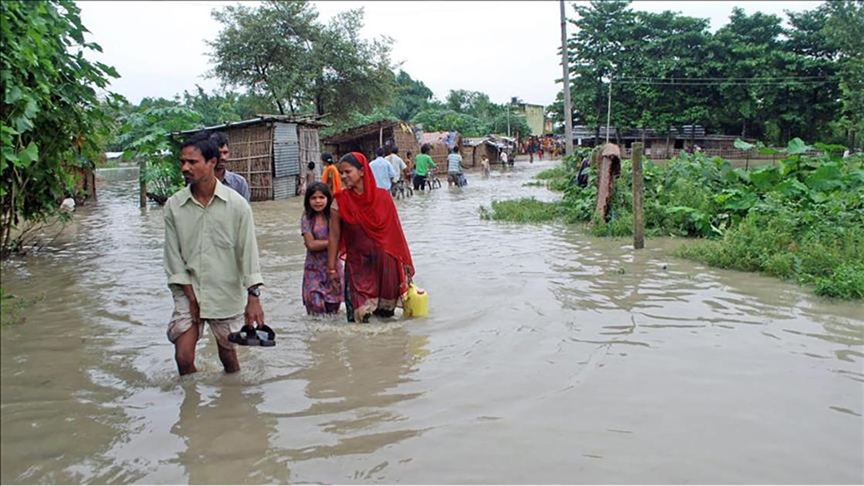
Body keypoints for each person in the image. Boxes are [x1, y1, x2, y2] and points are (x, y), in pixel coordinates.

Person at [163, 132, 265, 376]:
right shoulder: (174, 206)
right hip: (188, 290)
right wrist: (192, 297)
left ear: (211, 162)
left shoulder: (237, 205)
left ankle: (233, 401)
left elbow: (248, 252)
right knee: (184, 357)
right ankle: (192, 406)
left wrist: (253, 296)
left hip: (224, 290)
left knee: (227, 354)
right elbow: (173, 258)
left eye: (192, 162)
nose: (185, 168)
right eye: (182, 162)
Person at [327, 152, 414, 323]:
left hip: (385, 264)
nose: (343, 176)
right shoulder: (339, 201)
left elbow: (395, 233)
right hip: (357, 265)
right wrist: (331, 269)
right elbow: (334, 236)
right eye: (341, 172)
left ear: (361, 171)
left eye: (347, 172)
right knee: (359, 319)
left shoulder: (383, 198)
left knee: (386, 320)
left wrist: (405, 263)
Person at [301, 182, 344, 316]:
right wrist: (333, 242)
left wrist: (332, 242)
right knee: (315, 306)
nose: (318, 201)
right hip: (313, 270)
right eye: (313, 198)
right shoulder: (307, 218)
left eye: (321, 197)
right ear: (308, 201)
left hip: (334, 268)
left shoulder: (334, 216)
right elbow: (311, 244)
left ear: (328, 199)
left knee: (333, 311)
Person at [209, 132, 251, 201]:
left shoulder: (239, 183)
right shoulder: (201, 183)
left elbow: (245, 210)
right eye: (219, 153)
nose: (223, 157)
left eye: (225, 153)